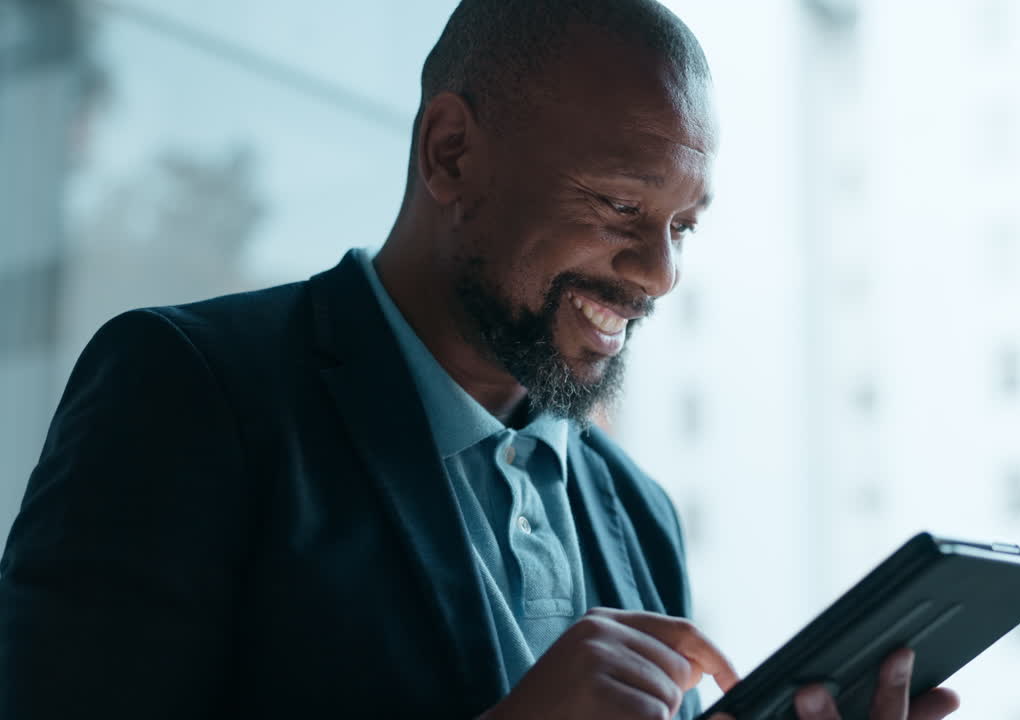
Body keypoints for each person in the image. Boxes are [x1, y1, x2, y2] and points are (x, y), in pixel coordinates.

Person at [0, 1, 960, 719]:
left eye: (682, 225)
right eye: (622, 208)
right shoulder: (187, 394)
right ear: (452, 155)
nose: (661, 273)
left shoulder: (636, 512)